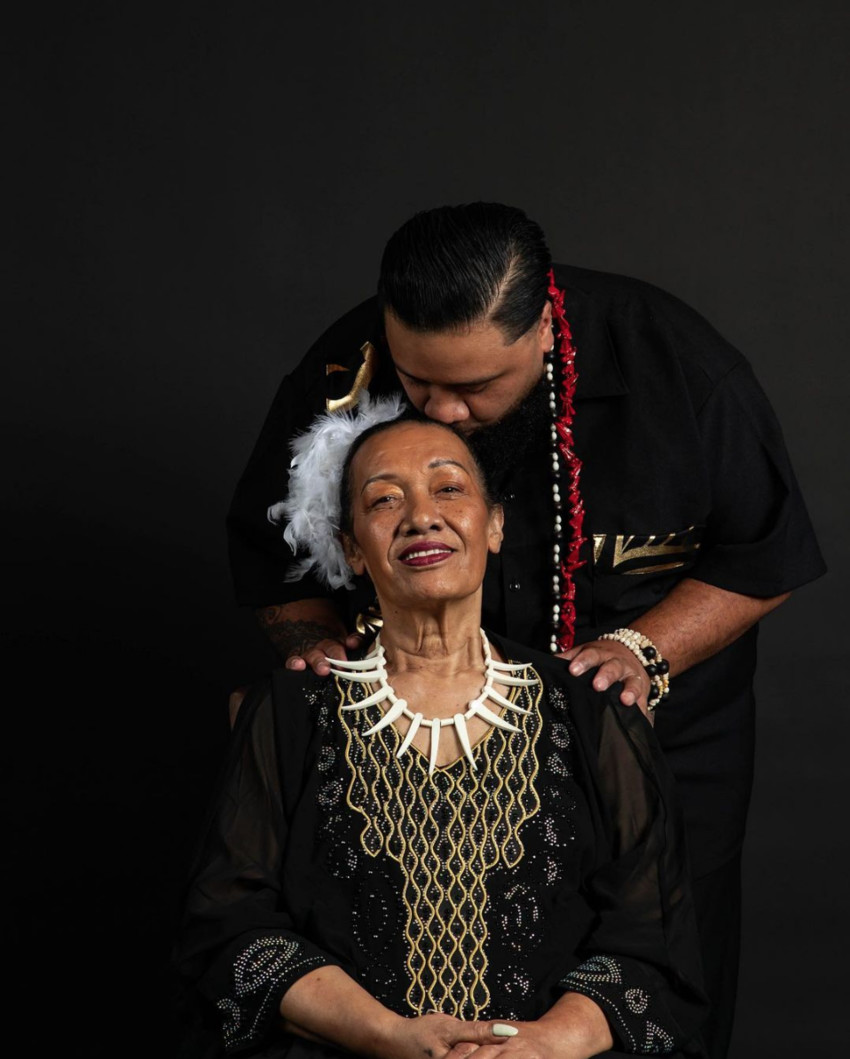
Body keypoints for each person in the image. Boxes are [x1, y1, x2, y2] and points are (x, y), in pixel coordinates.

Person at [226, 203, 826, 1058]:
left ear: (544, 323)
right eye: (417, 379)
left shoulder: (680, 367)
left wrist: (641, 651)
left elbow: (767, 554)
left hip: (648, 738)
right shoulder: (343, 364)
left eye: (473, 387)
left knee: (660, 966)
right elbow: (272, 549)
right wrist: (307, 647)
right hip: (410, 750)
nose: (441, 408)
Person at [178, 411, 707, 1058]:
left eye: (449, 488)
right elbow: (231, 931)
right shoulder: (291, 710)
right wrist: (390, 1036)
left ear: (495, 524)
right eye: (384, 499)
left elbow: (652, 941)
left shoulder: (591, 706)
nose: (420, 516)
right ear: (350, 548)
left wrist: (540, 1045)